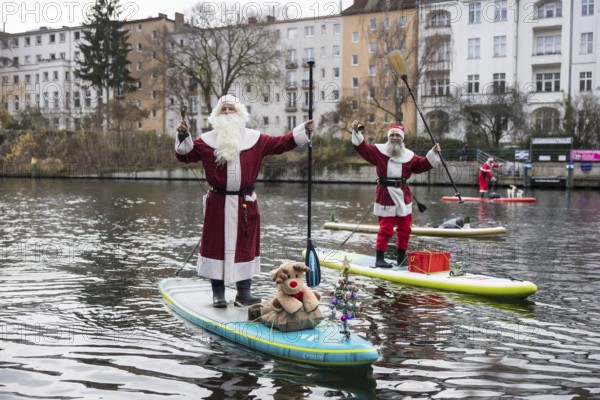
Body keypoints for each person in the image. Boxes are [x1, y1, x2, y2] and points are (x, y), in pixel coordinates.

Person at [175, 94, 315, 308]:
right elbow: (186, 155)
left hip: (245, 203)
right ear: (216, 115)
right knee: (216, 247)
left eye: (232, 109)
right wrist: (183, 135)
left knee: (245, 246)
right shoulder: (207, 140)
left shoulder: (255, 139)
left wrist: (303, 130)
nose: (228, 112)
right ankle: (218, 294)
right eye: (224, 109)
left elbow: (280, 143)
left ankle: (244, 293)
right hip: (218, 204)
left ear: (240, 113)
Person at [350, 120, 442, 268]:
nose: (394, 137)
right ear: (388, 137)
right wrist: (356, 132)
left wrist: (433, 153)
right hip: (385, 193)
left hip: (403, 194)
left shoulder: (409, 156)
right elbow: (362, 148)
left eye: (397, 135)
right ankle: (379, 258)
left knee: (405, 228)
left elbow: (423, 164)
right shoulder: (378, 151)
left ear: (402, 138)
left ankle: (401, 258)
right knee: (386, 228)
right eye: (392, 135)